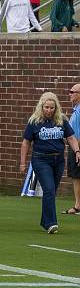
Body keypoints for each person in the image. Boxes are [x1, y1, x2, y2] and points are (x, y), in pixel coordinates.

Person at [20, 92, 80, 234]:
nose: (49, 110)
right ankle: (51, 223)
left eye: (52, 108)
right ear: (42, 106)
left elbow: (71, 137)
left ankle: (44, 220)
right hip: (41, 159)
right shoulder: (34, 121)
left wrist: (77, 151)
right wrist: (22, 163)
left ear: (56, 108)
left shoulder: (61, 120)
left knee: (51, 192)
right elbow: (26, 142)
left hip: (58, 159)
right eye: (46, 107)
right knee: (49, 189)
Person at [65, 83, 80, 215]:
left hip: (78, 148)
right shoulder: (75, 109)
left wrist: (77, 150)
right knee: (75, 176)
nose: (69, 94)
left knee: (77, 175)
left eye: (72, 92)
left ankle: (78, 206)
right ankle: (77, 204)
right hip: (74, 147)